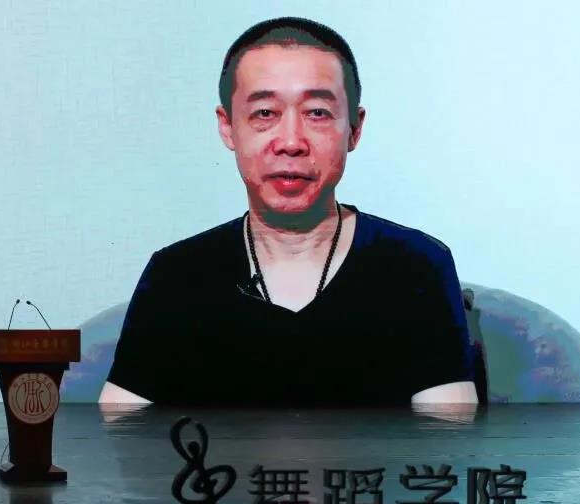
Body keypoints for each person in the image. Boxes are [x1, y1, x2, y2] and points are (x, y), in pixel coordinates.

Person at [99, 16, 478, 406]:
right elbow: (119, 428)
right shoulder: (177, 274)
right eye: (265, 113)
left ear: (354, 128)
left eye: (317, 113)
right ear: (228, 127)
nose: (291, 142)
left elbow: (446, 433)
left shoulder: (416, 265)